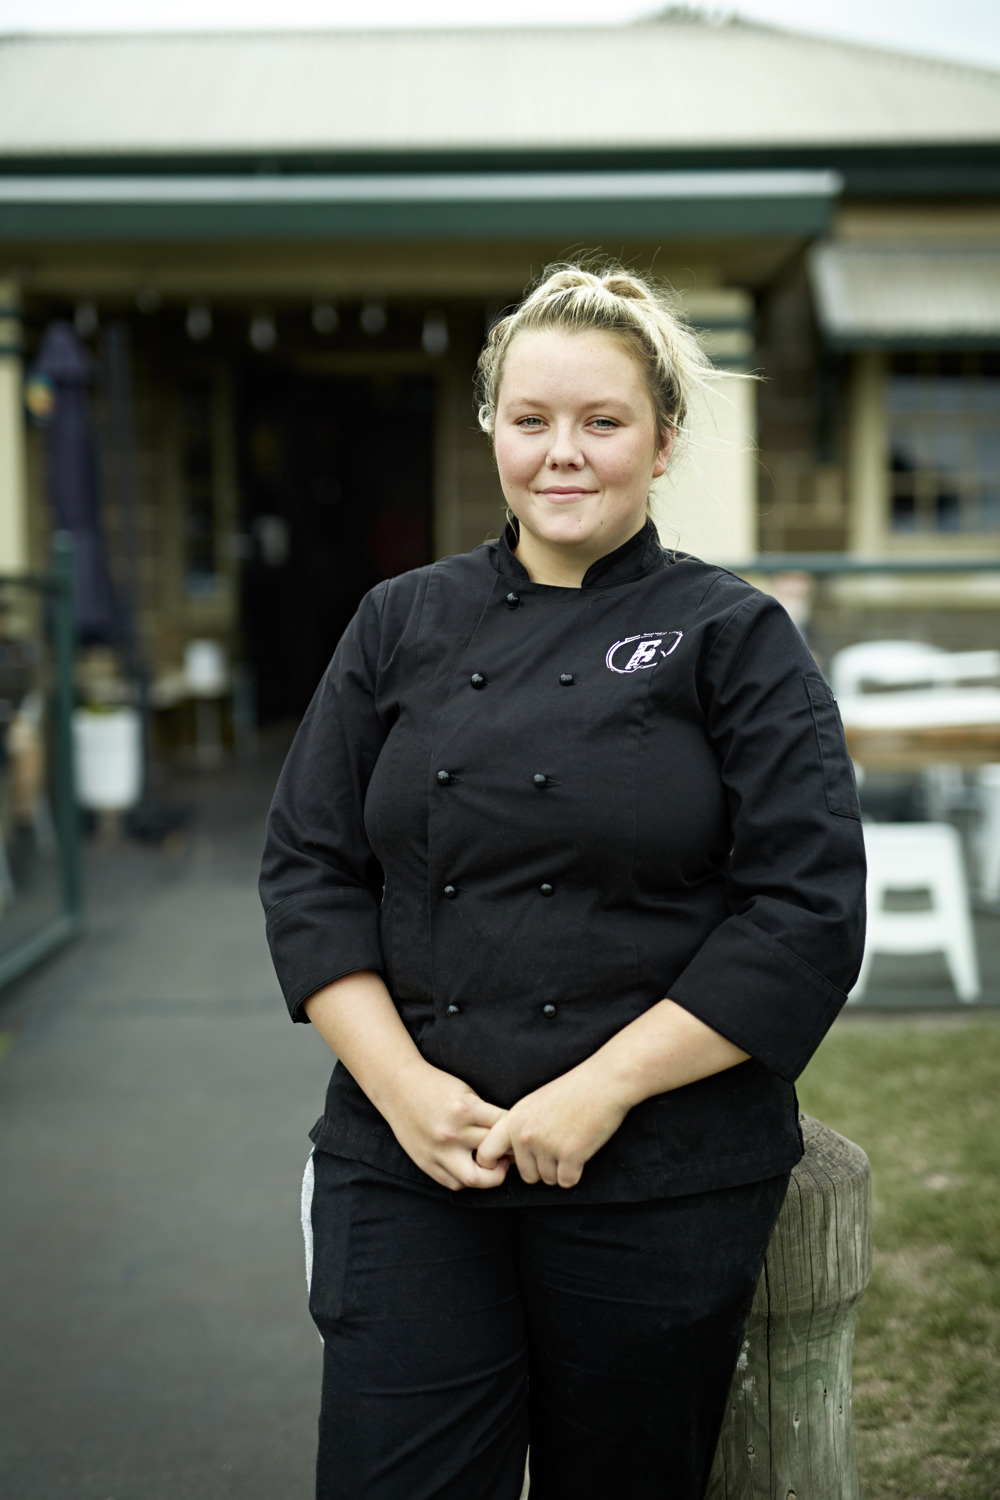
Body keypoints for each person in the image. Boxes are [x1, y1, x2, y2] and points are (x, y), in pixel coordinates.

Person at [259, 263, 866, 1500]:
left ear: (662, 440)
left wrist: (595, 1093)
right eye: (531, 420)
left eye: (602, 422)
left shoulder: (730, 632)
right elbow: (310, 870)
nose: (563, 454)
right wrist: (409, 1094)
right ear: (490, 426)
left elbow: (806, 911)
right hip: (417, 1158)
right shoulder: (397, 621)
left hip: (657, 1167)